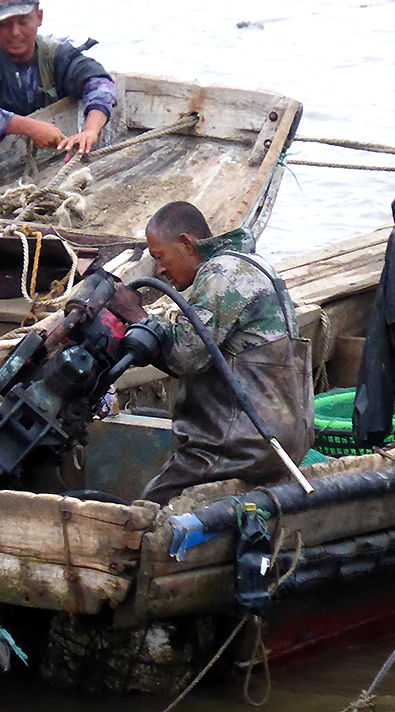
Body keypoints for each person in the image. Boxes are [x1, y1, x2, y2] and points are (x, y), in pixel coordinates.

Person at [108, 201, 314, 505]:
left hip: (248, 441)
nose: (160, 270)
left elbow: (186, 357)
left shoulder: (221, 275)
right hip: (289, 434)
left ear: (186, 243)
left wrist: (137, 316)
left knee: (154, 506)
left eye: (160, 257)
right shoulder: (250, 264)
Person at [0, 0, 116, 157]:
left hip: (52, 156)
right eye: (5, 24)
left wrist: (90, 131)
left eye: (23, 21)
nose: (15, 32)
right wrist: (31, 128)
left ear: (39, 17)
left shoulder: (55, 54)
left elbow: (100, 82)